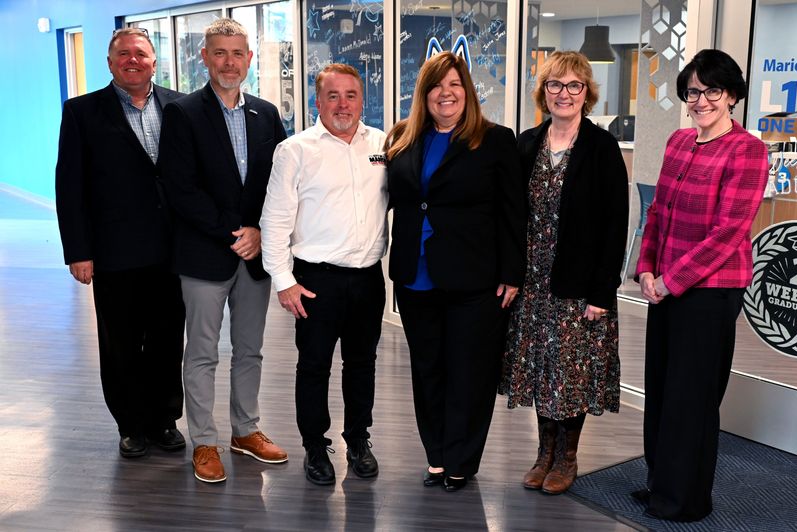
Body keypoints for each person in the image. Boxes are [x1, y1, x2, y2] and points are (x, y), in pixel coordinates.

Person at [633, 49, 768, 521]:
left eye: (713, 90)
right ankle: (661, 482)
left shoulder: (747, 150)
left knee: (692, 396)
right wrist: (646, 269)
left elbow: (729, 232)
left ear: (731, 95)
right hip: (664, 285)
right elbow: (658, 212)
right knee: (662, 388)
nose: (702, 100)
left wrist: (671, 281)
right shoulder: (678, 141)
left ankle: (684, 500)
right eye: (693, 91)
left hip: (710, 292)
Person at [385, 51, 527, 492]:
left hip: (475, 277)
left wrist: (512, 272)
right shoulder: (403, 138)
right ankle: (436, 455)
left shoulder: (495, 140)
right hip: (415, 275)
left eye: (454, 84)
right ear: (423, 94)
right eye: (436, 85)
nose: (445, 93)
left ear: (467, 92)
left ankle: (461, 460)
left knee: (470, 372)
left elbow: (513, 212)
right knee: (427, 370)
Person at [159, 18, 288, 483]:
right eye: (219, 53)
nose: (229, 62)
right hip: (205, 255)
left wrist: (261, 232)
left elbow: (280, 183)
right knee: (203, 353)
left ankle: (245, 431)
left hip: (254, 258)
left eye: (237, 53)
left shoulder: (267, 114)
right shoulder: (183, 113)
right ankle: (204, 441)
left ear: (249, 59)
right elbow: (180, 188)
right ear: (205, 58)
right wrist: (237, 232)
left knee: (250, 349)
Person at [499, 51, 629, 495]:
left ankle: (567, 458)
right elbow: (509, 214)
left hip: (578, 285)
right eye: (555, 85)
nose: (564, 94)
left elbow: (615, 224)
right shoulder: (527, 143)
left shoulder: (601, 147)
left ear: (586, 93)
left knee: (570, 375)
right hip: (533, 283)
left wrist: (602, 291)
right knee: (542, 369)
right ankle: (544, 454)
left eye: (574, 85)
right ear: (544, 92)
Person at [55, 27, 186, 459]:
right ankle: (130, 425)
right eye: (124, 54)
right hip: (114, 252)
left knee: (167, 340)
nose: (133, 60)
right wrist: (78, 251)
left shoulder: (179, 106)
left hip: (172, 251)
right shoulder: (82, 112)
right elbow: (69, 186)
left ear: (154, 61)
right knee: (120, 344)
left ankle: (164, 420)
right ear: (110, 63)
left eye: (141, 54)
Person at [261, 63, 388, 486]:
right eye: (333, 96)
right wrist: (284, 282)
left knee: (362, 364)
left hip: (368, 279)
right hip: (316, 280)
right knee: (314, 366)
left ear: (362, 100)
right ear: (318, 101)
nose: (342, 104)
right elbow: (274, 221)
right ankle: (315, 446)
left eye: (351, 95)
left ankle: (358, 440)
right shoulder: (295, 150)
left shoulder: (383, 144)